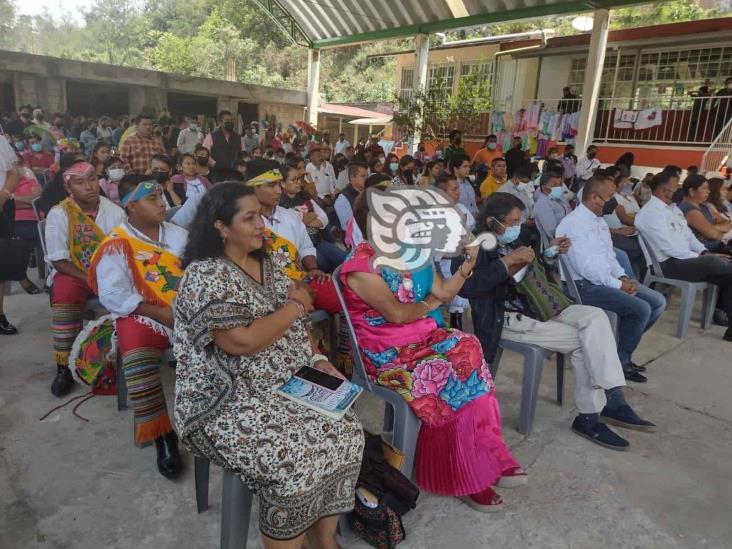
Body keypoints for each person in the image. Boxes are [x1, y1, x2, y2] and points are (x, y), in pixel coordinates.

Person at [173, 181, 363, 546]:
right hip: (224, 398)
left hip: (286, 377)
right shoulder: (205, 275)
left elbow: (298, 325)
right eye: (249, 218)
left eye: (260, 215)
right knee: (290, 453)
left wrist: (320, 360)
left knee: (347, 428)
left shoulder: (270, 260)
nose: (261, 224)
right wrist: (296, 305)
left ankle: (323, 540)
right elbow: (239, 341)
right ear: (221, 227)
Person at [342, 190, 525, 512]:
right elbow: (397, 314)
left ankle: (488, 453)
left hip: (425, 340)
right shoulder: (360, 266)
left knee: (468, 350)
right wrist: (430, 304)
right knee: (449, 379)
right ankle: (469, 475)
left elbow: (444, 291)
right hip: (388, 355)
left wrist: (469, 262)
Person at [458, 192, 655, 450]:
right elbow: (468, 287)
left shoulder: (513, 240)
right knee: (589, 342)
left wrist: (548, 255)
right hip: (509, 319)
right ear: (492, 221)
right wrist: (506, 263)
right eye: (513, 222)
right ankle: (596, 412)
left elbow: (530, 275)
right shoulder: (476, 247)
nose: (517, 227)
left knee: (596, 317)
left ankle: (610, 397)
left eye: (520, 221)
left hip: (543, 307)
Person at [88, 176, 187, 478]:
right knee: (135, 344)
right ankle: (162, 433)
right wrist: (159, 311)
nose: (162, 203)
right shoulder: (117, 244)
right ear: (130, 205)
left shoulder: (180, 235)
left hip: (186, 308)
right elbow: (114, 295)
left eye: (161, 196)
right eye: (152, 198)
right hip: (144, 313)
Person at [557, 177, 666, 382]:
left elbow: (610, 256)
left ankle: (619, 353)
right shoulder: (573, 224)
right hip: (583, 286)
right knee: (641, 309)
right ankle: (620, 362)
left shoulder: (598, 221)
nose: (612, 204)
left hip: (604, 280)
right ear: (594, 197)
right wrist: (618, 285)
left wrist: (622, 276)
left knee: (657, 302)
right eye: (608, 198)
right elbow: (586, 269)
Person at [45, 162, 126, 396]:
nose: (88, 186)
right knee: (65, 293)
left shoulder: (115, 212)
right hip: (74, 272)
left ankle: (121, 355)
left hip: (108, 271)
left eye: (91, 179)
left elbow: (123, 251)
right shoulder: (59, 214)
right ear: (68, 187)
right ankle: (63, 368)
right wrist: (90, 280)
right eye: (79, 182)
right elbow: (59, 261)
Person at [635, 171, 732, 342]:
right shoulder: (651, 213)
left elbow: (689, 237)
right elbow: (669, 249)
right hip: (667, 264)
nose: (679, 189)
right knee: (715, 263)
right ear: (665, 189)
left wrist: (703, 252)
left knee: (726, 272)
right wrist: (701, 257)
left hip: (685, 260)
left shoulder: (673, 210)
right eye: (675, 185)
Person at [248, 161, 340, 314]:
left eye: (279, 184)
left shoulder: (291, 216)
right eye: (271, 185)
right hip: (263, 283)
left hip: (296, 277)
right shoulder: (245, 221)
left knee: (333, 293)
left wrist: (313, 269)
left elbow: (305, 246)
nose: (279, 190)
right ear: (253, 188)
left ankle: (336, 335)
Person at [279, 164, 345, 273]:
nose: (299, 182)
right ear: (283, 183)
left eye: (299, 178)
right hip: (301, 246)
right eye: (294, 180)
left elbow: (323, 218)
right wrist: (308, 217)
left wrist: (306, 220)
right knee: (324, 264)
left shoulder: (304, 196)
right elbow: (295, 225)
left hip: (317, 239)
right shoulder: (280, 204)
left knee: (344, 259)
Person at [0, 136, 22, 334]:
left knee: (0, 264)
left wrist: (3, 195)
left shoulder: (1, 141)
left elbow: (14, 173)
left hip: (2, 204)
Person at [677, 174, 732, 253]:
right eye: (704, 188)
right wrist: (711, 230)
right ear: (692, 191)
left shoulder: (705, 207)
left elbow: (728, 224)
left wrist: (708, 229)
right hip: (706, 252)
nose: (708, 191)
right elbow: (716, 235)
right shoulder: (689, 210)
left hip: (718, 247)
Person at [534, 172, 571, 238]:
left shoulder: (559, 197)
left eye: (560, 185)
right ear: (544, 188)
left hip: (569, 233)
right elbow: (552, 231)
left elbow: (570, 212)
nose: (559, 188)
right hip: (559, 241)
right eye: (555, 185)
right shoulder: (542, 204)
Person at [334, 162, 367, 232]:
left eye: (367, 176)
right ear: (352, 178)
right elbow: (348, 227)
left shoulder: (367, 191)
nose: (366, 179)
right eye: (363, 176)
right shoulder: (343, 199)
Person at [450, 153, 477, 219]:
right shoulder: (451, 186)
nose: (468, 169)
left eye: (469, 167)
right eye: (465, 166)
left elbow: (473, 204)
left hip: (473, 219)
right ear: (455, 169)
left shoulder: (468, 183)